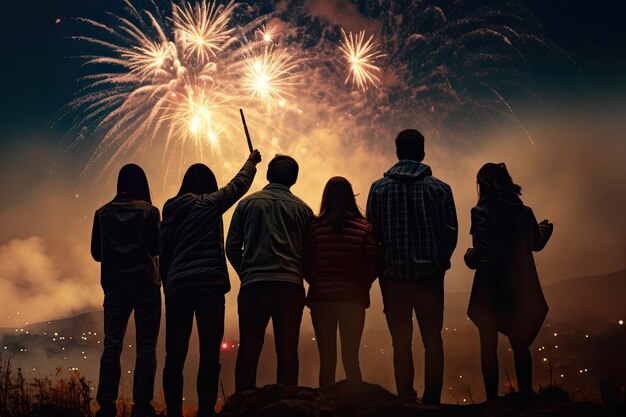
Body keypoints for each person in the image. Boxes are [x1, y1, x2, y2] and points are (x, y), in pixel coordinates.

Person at [160, 150, 261, 417]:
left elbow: (164, 256)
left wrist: (169, 287)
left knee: (175, 356)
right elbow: (238, 185)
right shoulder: (209, 204)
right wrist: (251, 161)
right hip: (209, 287)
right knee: (209, 356)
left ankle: (173, 412)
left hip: (178, 289)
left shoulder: (168, 213)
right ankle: (206, 411)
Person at [366, 129, 457, 404]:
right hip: (430, 278)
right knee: (433, 340)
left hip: (394, 279)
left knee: (400, 343)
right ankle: (432, 399)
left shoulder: (379, 189)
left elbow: (372, 232)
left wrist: (382, 264)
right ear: (422, 153)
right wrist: (440, 261)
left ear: (397, 153)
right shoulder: (440, 189)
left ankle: (405, 397)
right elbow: (449, 232)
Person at [464, 162, 553, 400]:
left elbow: (482, 250)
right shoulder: (524, 211)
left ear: (481, 184)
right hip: (519, 285)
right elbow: (536, 243)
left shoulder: (480, 212)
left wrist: (468, 257)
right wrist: (545, 229)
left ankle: (492, 400)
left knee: (488, 343)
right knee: (521, 343)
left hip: (490, 287)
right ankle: (526, 397)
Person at [226, 154, 313, 392]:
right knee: (287, 352)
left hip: (254, 287)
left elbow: (232, 247)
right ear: (293, 179)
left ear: (267, 175)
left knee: (249, 351)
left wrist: (248, 272)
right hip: (290, 288)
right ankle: (287, 406)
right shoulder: (304, 210)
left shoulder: (247, 204)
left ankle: (243, 403)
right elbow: (310, 253)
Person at [91, 164, 161, 417]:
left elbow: (97, 254)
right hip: (146, 284)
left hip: (115, 286)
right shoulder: (151, 212)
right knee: (146, 347)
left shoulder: (102, 213)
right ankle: (142, 407)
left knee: (112, 346)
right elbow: (155, 249)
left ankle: (106, 405)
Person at [303, 176, 377, 387]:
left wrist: (318, 283)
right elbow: (371, 266)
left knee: (327, 361)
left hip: (321, 301)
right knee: (351, 359)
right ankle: (355, 407)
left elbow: (306, 263)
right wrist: (359, 286)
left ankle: (324, 407)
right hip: (353, 301)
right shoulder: (365, 228)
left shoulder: (314, 228)